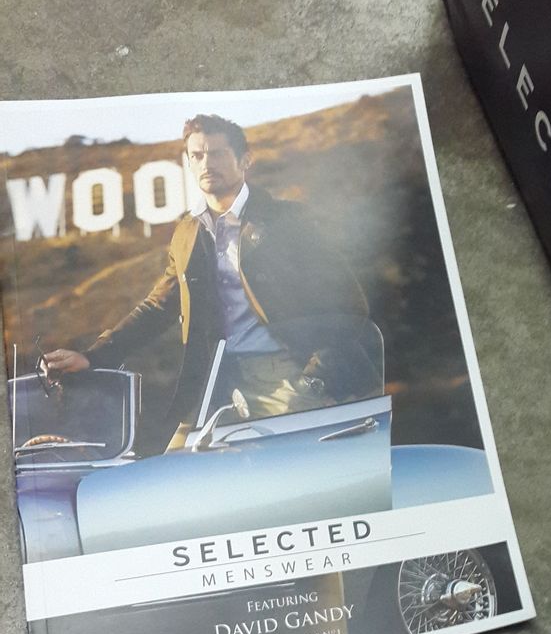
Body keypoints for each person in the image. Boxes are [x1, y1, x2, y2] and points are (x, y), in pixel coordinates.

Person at [43, 113, 376, 448]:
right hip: (214, 382)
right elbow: (158, 306)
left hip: (286, 376)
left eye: (217, 153)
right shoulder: (188, 232)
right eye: (197, 155)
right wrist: (94, 356)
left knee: (287, 474)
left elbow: (348, 302)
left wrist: (315, 378)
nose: (206, 163)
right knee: (176, 472)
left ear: (245, 160)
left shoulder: (287, 221)